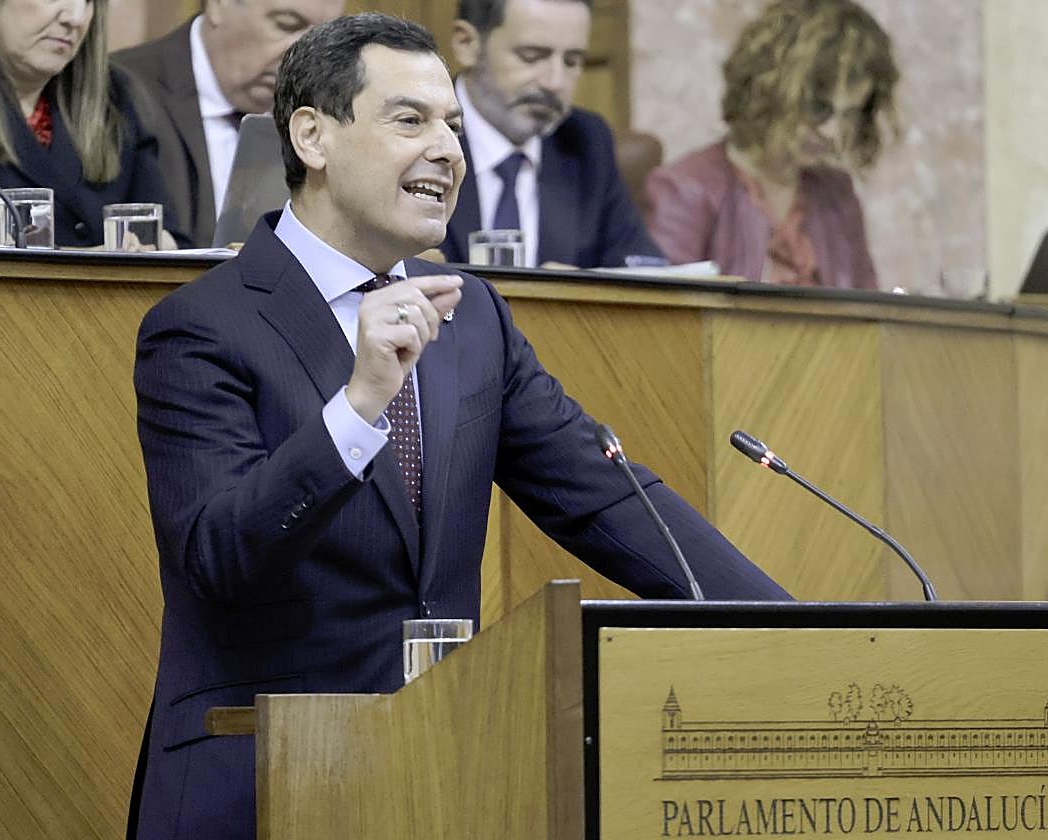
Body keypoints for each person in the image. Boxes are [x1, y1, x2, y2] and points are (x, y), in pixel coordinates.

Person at [130, 12, 789, 838]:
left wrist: (799, 633)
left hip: (444, 779)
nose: (448, 149)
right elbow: (218, 559)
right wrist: (358, 405)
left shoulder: (471, 319)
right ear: (312, 137)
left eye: (451, 123)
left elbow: (610, 500)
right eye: (410, 120)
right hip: (257, 785)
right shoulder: (202, 327)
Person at [0, 0, 183, 249]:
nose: (75, 18)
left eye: (89, 0)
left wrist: (149, 246)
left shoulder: (112, 96)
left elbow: (170, 238)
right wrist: (90, 266)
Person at [645, 0, 898, 288]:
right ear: (769, 91)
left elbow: (869, 317)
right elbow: (666, 324)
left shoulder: (838, 194)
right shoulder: (685, 190)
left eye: (850, 114)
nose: (832, 132)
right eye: (818, 108)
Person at [438, 0, 663, 268]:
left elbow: (641, 268)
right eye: (532, 56)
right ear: (467, 44)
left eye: (572, 61)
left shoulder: (586, 141)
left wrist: (580, 291)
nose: (554, 82)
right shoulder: (417, 135)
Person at [113, 0, 344, 248]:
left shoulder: (328, 107)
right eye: (287, 25)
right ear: (218, 5)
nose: (304, 57)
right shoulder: (117, 91)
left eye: (320, 39)